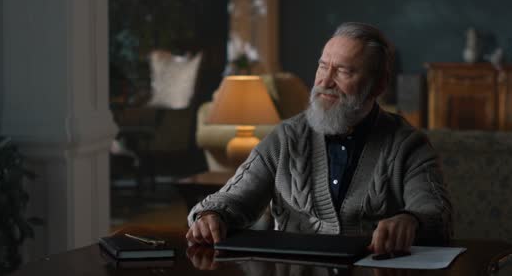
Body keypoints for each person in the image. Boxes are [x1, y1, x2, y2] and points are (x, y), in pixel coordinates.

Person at [186, 22, 452, 254]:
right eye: (323, 67)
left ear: (379, 84)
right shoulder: (285, 138)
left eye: (344, 71)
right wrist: (212, 215)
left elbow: (436, 214)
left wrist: (411, 220)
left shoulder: (408, 144)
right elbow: (233, 199)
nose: (326, 80)